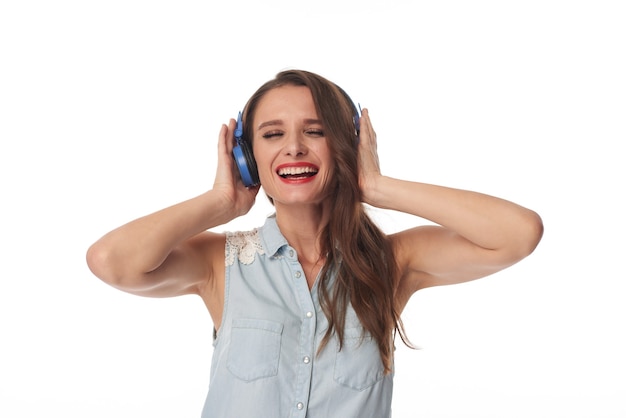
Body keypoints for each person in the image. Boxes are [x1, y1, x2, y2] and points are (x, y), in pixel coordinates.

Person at [86, 69, 543, 417]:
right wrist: (221, 201)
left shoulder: (393, 262)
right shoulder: (218, 265)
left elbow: (518, 233)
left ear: (346, 146)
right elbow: (111, 261)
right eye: (272, 135)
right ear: (248, 158)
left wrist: (377, 186)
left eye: (316, 130)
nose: (294, 147)